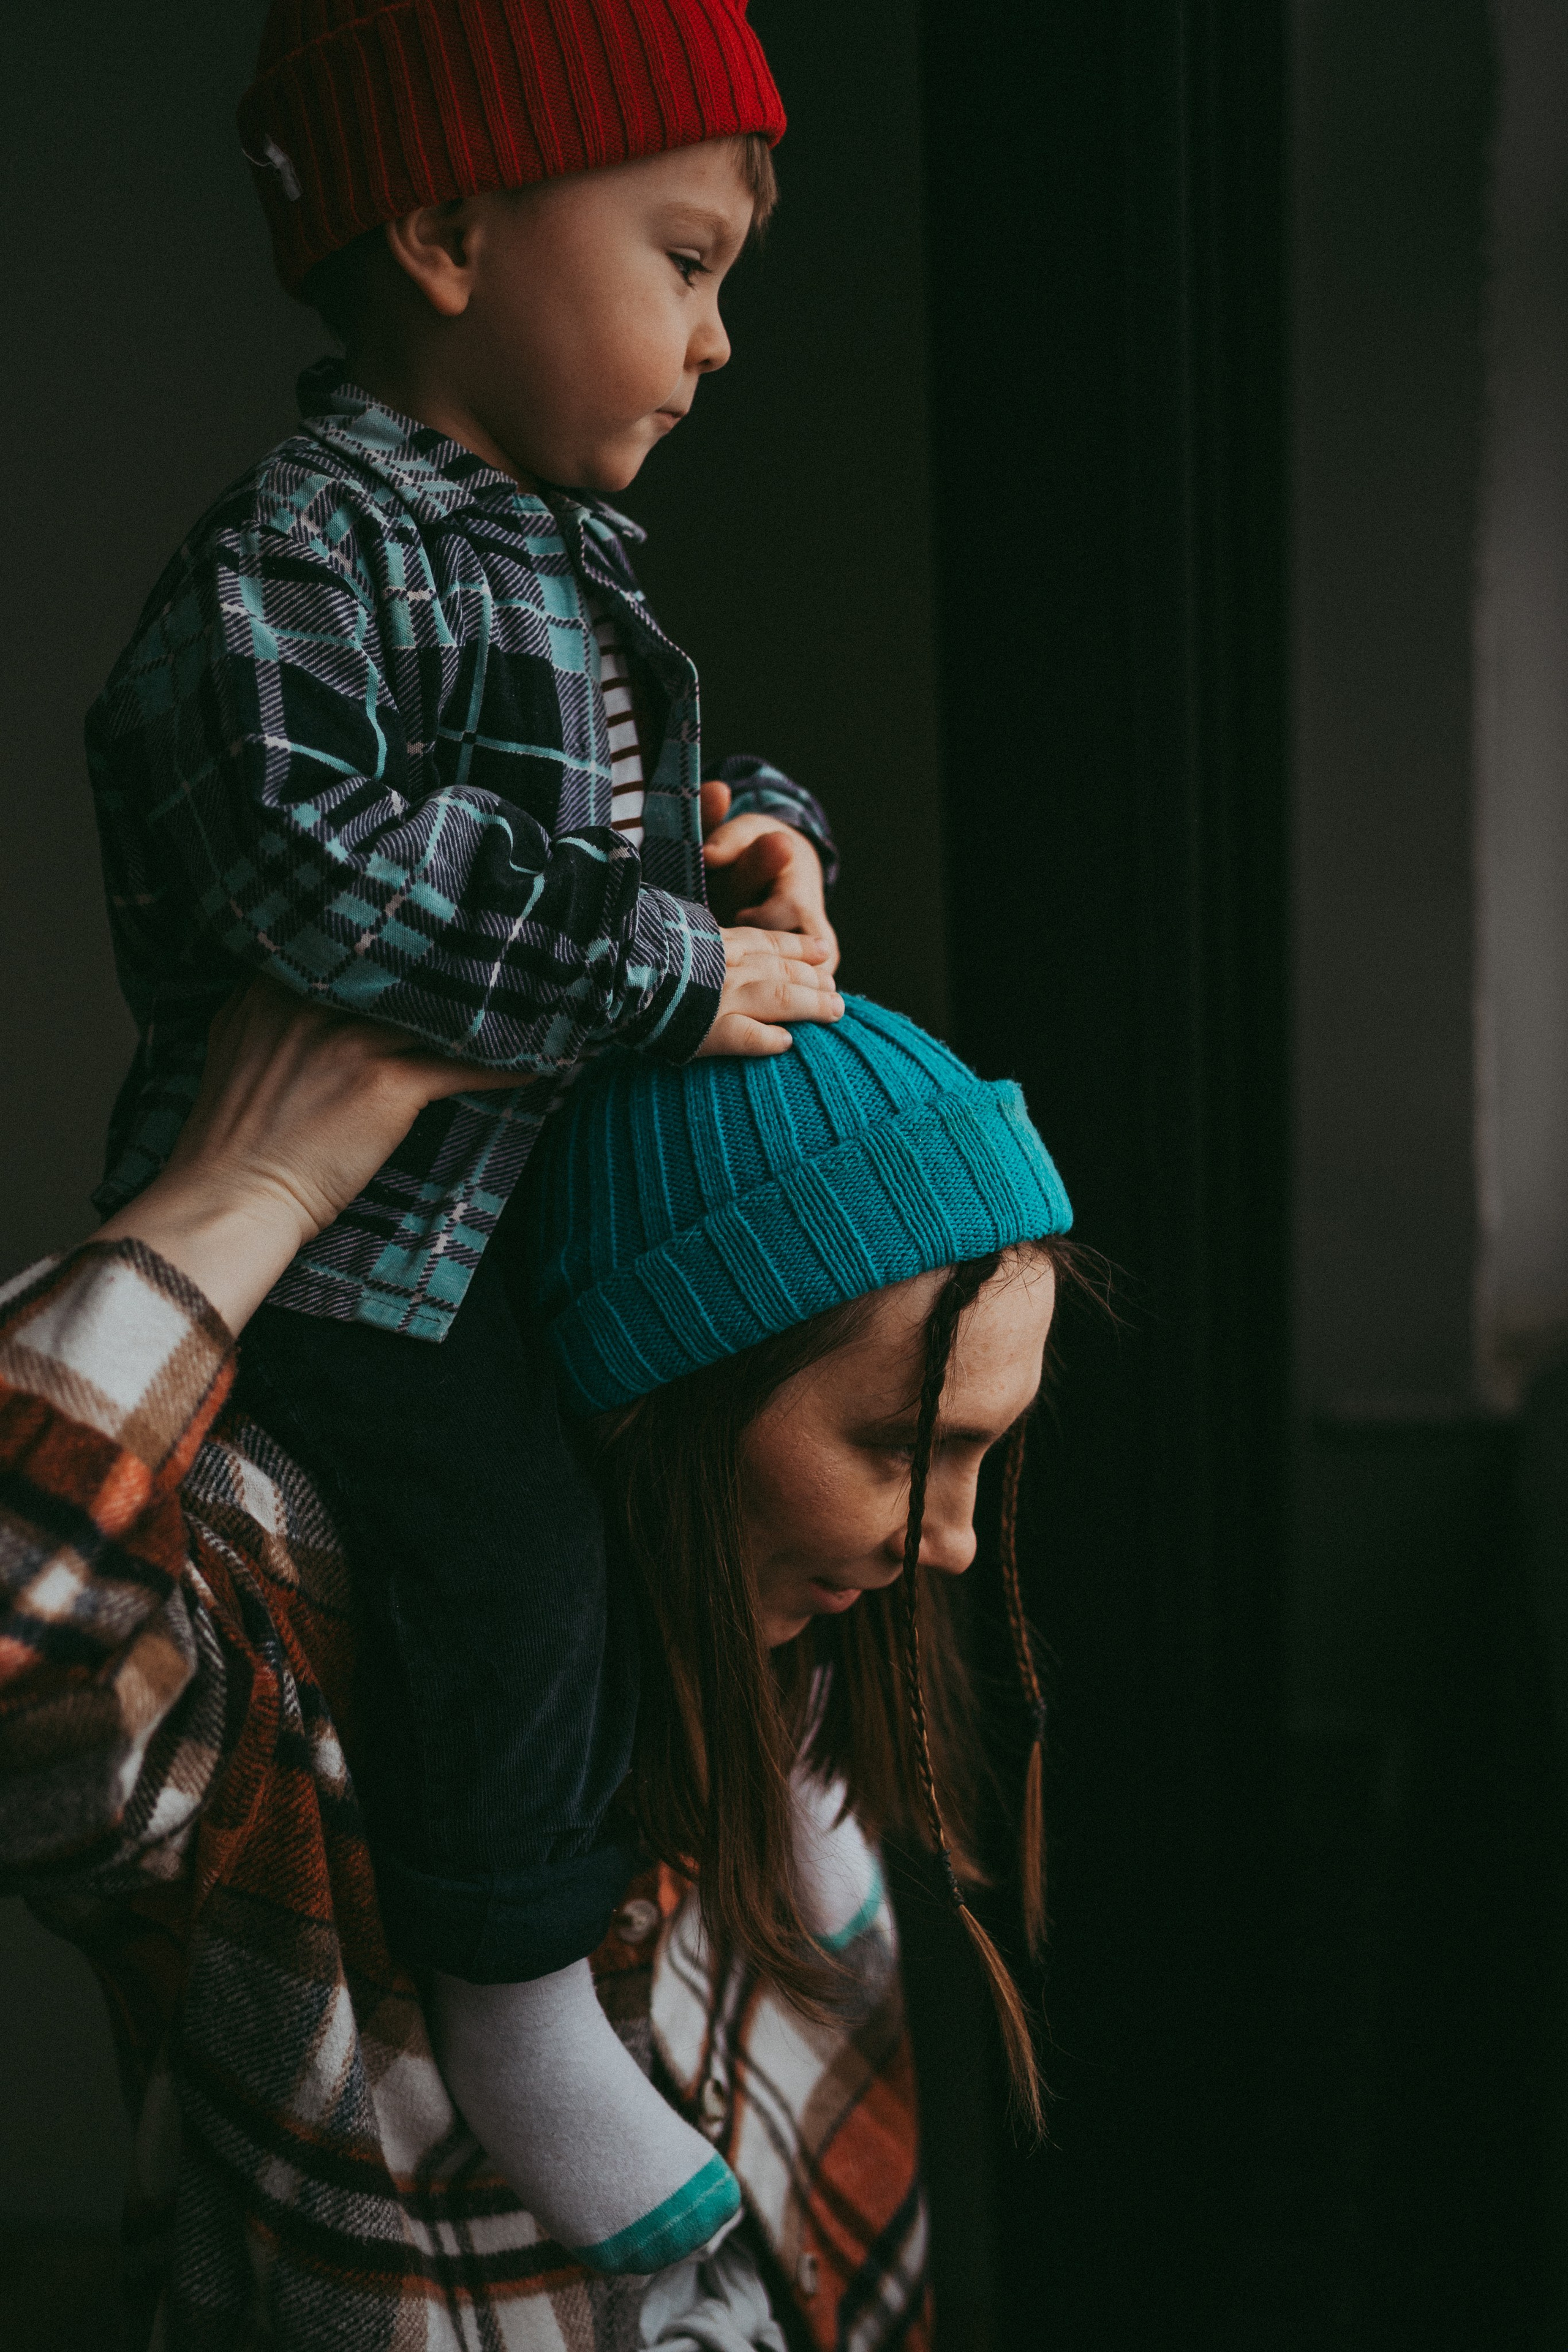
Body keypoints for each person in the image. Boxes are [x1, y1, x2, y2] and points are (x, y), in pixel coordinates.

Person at [83, 0, 845, 2275]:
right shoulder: (296, 561)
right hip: (373, 1261)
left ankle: (738, 1854)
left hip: (527, 1216)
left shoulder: (548, 558)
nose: (719, 342)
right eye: (688, 260)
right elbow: (312, 868)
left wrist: (753, 853)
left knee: (716, 1467)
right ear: (442, 227)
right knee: (509, 1557)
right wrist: (661, 978)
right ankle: (513, 2007)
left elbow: (615, 819)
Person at [0, 978, 1071, 2346]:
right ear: (675, 1387)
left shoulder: (794, 1639)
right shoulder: (287, 1641)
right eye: (900, 1446)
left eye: (986, 1449)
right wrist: (247, 1189)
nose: (957, 1542)